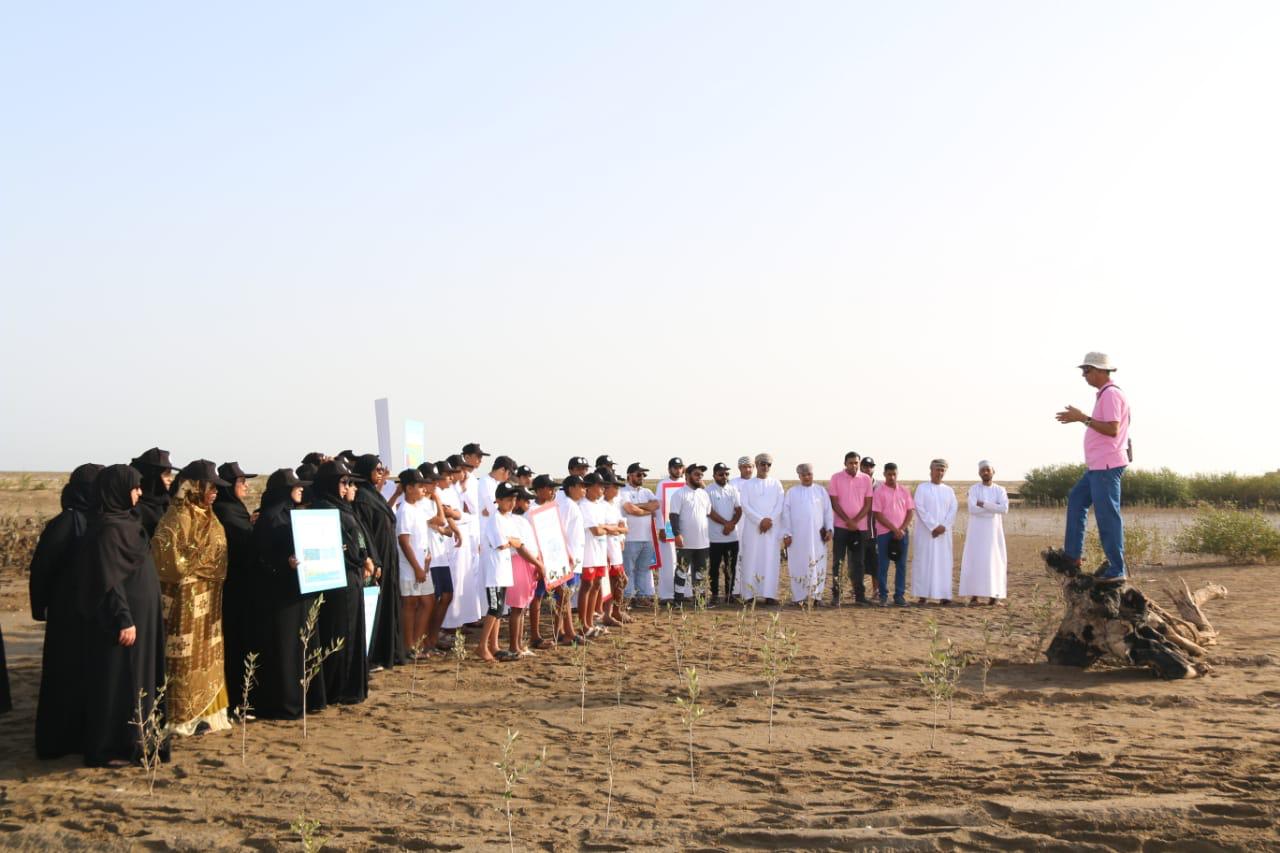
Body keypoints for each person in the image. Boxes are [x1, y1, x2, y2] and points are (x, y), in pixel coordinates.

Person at [77, 464, 169, 767]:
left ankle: (142, 739)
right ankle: (113, 747)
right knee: (120, 681)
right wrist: (124, 618)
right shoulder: (107, 529)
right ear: (117, 490)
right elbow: (110, 580)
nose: (140, 493)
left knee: (143, 678)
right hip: (124, 621)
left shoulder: (127, 522)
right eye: (134, 488)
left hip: (144, 617)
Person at [151, 459, 232, 736]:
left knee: (206, 655)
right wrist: (199, 566)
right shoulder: (177, 518)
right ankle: (181, 716)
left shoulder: (209, 516)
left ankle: (207, 712)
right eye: (211, 487)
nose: (216, 492)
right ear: (195, 487)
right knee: (183, 657)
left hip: (208, 601)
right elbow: (170, 562)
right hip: (183, 603)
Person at [29, 463, 102, 757]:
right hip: (67, 613)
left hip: (88, 613)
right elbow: (42, 569)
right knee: (64, 675)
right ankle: (59, 741)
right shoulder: (67, 522)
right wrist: (41, 607)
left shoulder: (96, 519)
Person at [250, 468, 327, 720]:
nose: (301, 489)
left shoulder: (293, 514)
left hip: (299, 592)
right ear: (283, 490)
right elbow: (263, 557)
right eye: (296, 486)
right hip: (280, 595)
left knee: (301, 644)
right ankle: (286, 702)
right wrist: (286, 564)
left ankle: (306, 697)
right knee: (285, 647)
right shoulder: (271, 518)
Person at [1056, 352, 1132, 583]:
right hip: (1098, 466)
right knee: (1076, 500)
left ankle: (1117, 569)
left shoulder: (1111, 394)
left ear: (1100, 370)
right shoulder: (1105, 394)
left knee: (1107, 515)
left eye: (1087, 370)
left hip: (1107, 465)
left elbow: (1112, 429)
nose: (1084, 375)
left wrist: (1083, 418)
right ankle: (1072, 557)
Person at [311, 460, 374, 704]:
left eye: (348, 482)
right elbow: (338, 545)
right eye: (343, 482)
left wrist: (364, 557)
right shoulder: (324, 509)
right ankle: (339, 688)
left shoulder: (341, 508)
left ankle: (349, 685)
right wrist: (360, 558)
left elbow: (356, 539)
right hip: (338, 580)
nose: (347, 487)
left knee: (352, 630)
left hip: (351, 577)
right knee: (340, 631)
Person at [351, 454, 404, 671]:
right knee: (378, 607)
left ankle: (390, 651)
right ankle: (375, 654)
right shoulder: (362, 498)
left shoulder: (373, 495)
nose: (381, 473)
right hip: (377, 558)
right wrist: (373, 559)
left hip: (388, 557)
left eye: (382, 470)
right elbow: (364, 532)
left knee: (390, 603)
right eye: (377, 470)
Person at [213, 461, 258, 704]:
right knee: (235, 641)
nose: (246, 486)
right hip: (234, 587)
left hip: (242, 585)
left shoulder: (236, 508)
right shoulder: (225, 510)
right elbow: (243, 541)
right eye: (241, 482)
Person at [478, 482, 522, 662]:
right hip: (494, 571)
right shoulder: (495, 519)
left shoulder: (507, 519)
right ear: (498, 500)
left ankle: (494, 646)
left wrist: (511, 540)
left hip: (503, 569)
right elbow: (502, 544)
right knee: (495, 608)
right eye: (508, 499)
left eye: (514, 499)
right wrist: (511, 541)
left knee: (499, 609)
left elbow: (518, 541)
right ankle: (482, 646)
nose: (512, 503)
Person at [394, 468, 436, 655]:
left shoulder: (418, 508)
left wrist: (426, 560)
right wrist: (417, 568)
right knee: (410, 604)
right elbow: (404, 541)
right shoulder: (404, 510)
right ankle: (408, 646)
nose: (424, 489)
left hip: (421, 565)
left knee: (428, 601)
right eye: (420, 486)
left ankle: (416, 644)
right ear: (409, 488)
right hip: (410, 567)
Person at [425, 460, 463, 651]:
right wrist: (438, 500)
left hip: (441, 555)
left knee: (447, 595)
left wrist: (448, 530)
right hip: (430, 557)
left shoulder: (433, 501)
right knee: (432, 600)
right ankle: (427, 639)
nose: (435, 485)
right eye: (432, 481)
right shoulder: (422, 504)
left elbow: (445, 526)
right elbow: (441, 519)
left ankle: (433, 638)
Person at [782, 463, 834, 605]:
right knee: (798, 565)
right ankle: (798, 597)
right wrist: (787, 534)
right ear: (799, 476)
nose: (806, 477)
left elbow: (828, 513)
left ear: (813, 475)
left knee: (818, 564)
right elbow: (785, 515)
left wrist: (829, 529)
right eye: (803, 475)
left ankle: (817, 597)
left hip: (817, 537)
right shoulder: (792, 492)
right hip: (797, 538)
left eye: (809, 474)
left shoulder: (821, 491)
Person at [827, 451, 875, 606]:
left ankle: (860, 596)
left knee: (858, 563)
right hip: (841, 527)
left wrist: (856, 521)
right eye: (851, 463)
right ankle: (837, 595)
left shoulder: (865, 479)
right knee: (838, 561)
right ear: (845, 463)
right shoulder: (836, 478)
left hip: (860, 528)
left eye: (856, 463)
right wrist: (847, 520)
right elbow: (834, 502)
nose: (854, 466)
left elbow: (868, 503)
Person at [737, 453, 785, 604]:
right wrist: (760, 521)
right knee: (750, 559)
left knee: (770, 560)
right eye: (762, 464)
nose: (765, 467)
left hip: (771, 529)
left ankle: (769, 595)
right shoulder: (748, 485)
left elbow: (780, 505)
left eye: (768, 464)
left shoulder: (776, 484)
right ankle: (749, 595)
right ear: (756, 465)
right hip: (753, 529)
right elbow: (745, 505)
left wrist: (769, 520)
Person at [960, 461, 1009, 605]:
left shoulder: (1000, 490)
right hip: (976, 532)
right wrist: (993, 508)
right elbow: (972, 509)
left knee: (994, 561)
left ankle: (994, 596)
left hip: (994, 533)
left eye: (988, 470)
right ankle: (974, 596)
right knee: (975, 560)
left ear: (993, 471)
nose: (985, 472)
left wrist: (983, 504)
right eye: (983, 470)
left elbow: (1004, 509)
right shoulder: (974, 489)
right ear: (979, 473)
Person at [445, 452, 484, 631]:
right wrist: (464, 516)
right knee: (455, 580)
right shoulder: (444, 490)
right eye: (462, 470)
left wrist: (463, 515)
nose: (465, 473)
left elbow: (469, 511)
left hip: (464, 536)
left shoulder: (456, 488)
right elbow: (451, 514)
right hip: (452, 540)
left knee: (464, 580)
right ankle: (450, 623)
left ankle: (460, 619)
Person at [911, 459, 958, 605]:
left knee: (943, 563)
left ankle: (944, 595)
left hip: (944, 534)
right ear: (931, 471)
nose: (940, 472)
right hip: (926, 532)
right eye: (937, 469)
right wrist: (934, 526)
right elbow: (919, 508)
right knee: (924, 561)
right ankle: (923, 595)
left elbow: (953, 509)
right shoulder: (922, 488)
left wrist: (943, 526)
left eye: (942, 470)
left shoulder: (949, 490)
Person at [506, 485, 545, 657]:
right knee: (517, 607)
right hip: (519, 563)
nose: (528, 504)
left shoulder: (523, 520)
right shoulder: (511, 520)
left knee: (523, 608)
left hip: (529, 564)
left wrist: (537, 563)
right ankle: (514, 647)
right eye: (526, 500)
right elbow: (520, 547)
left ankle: (519, 645)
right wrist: (538, 564)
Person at [669, 463, 712, 604]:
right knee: (681, 571)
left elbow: (707, 513)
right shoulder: (679, 494)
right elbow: (673, 516)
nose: (700, 477)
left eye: (701, 475)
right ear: (687, 476)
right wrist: (677, 534)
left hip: (703, 542)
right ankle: (678, 601)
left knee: (700, 573)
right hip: (685, 542)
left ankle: (699, 600)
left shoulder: (704, 494)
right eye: (696, 474)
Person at [872, 462, 914, 607]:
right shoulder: (879, 492)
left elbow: (910, 512)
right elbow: (878, 515)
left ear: (897, 474)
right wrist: (894, 529)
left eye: (894, 474)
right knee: (883, 565)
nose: (892, 477)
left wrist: (901, 529)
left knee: (901, 565)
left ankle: (899, 596)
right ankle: (883, 596)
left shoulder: (904, 491)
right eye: (889, 474)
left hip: (902, 534)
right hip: (884, 534)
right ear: (884, 474)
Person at [619, 463, 658, 607]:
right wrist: (647, 509)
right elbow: (630, 510)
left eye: (643, 475)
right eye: (639, 474)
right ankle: (628, 596)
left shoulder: (647, 491)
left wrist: (638, 506)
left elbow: (655, 505)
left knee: (644, 569)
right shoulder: (622, 491)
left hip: (647, 538)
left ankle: (641, 596)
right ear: (629, 475)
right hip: (630, 538)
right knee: (628, 570)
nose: (642, 477)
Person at [577, 473, 610, 637]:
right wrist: (609, 529)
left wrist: (607, 528)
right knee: (587, 585)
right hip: (588, 552)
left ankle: (590, 622)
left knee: (597, 584)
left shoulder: (599, 505)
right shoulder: (584, 505)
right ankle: (583, 624)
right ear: (589, 487)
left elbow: (605, 527)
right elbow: (597, 530)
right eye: (599, 485)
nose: (603, 488)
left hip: (600, 551)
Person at [706, 463, 742, 605]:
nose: (724, 477)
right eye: (721, 474)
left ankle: (729, 594)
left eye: (726, 474)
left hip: (732, 537)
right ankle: (714, 594)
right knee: (714, 568)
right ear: (714, 475)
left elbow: (739, 510)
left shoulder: (733, 489)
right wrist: (725, 524)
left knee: (730, 568)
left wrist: (731, 524)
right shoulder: (708, 490)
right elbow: (710, 511)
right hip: (715, 537)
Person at [655, 457, 685, 604]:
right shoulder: (663, 484)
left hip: (684, 528)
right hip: (667, 528)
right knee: (668, 562)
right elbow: (659, 507)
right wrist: (661, 527)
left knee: (685, 562)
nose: (678, 470)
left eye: (680, 467)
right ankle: (667, 594)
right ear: (669, 469)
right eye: (675, 467)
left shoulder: (686, 483)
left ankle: (684, 592)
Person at [130, 447, 179, 538]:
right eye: (166, 474)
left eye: (170, 474)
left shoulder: (169, 503)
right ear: (153, 476)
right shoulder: (134, 508)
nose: (170, 479)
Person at [600, 472, 629, 625]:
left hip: (615, 546)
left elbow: (623, 527)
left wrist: (616, 530)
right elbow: (601, 528)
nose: (617, 490)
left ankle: (616, 610)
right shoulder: (600, 505)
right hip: (605, 547)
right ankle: (608, 613)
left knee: (620, 581)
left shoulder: (614, 505)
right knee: (610, 583)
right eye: (615, 487)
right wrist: (616, 528)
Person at [860, 457, 881, 599]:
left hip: (876, 530)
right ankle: (859, 591)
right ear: (861, 467)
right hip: (859, 530)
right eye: (865, 466)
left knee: (876, 563)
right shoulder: (856, 484)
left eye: (871, 466)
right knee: (858, 563)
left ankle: (876, 591)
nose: (868, 469)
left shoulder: (880, 486)